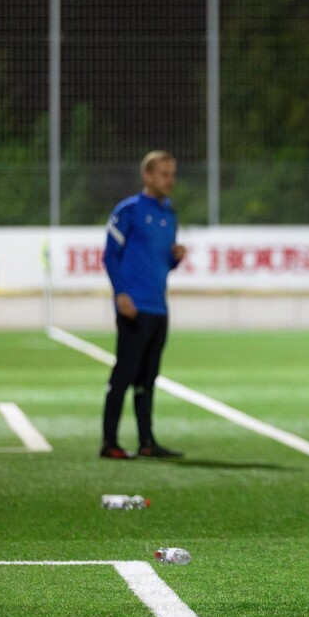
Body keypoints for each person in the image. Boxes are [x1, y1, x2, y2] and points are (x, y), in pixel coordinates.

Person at [99, 150, 186, 459]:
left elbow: (160, 263)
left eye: (172, 173)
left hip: (159, 308)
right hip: (133, 307)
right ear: (147, 176)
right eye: (163, 173)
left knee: (148, 378)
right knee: (124, 375)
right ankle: (109, 442)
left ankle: (147, 442)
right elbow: (110, 255)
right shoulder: (129, 211)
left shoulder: (169, 214)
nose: (169, 179)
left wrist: (175, 259)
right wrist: (121, 294)